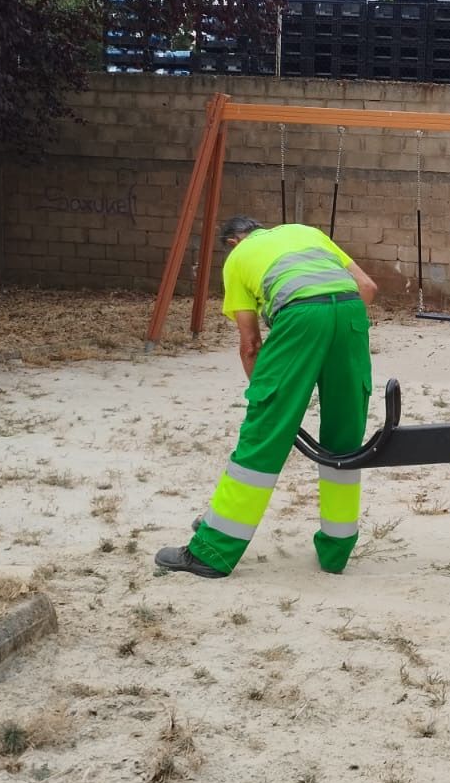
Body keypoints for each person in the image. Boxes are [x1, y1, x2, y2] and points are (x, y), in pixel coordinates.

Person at [155, 215, 379, 579]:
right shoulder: (307, 232)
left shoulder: (238, 260)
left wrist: (268, 396)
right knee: (345, 438)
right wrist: (333, 327)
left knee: (262, 437)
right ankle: (336, 551)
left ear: (232, 243)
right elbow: (367, 287)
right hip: (351, 314)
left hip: (300, 317)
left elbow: (250, 344)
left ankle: (212, 552)